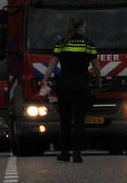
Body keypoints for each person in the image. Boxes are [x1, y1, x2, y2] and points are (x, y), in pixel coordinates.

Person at [40, 16, 101, 163]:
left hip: (65, 85)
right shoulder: (88, 43)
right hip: (82, 85)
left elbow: (52, 64)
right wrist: (98, 81)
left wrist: (45, 79)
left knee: (65, 120)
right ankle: (77, 153)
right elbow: (96, 67)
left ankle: (65, 152)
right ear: (81, 27)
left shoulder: (61, 43)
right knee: (79, 120)